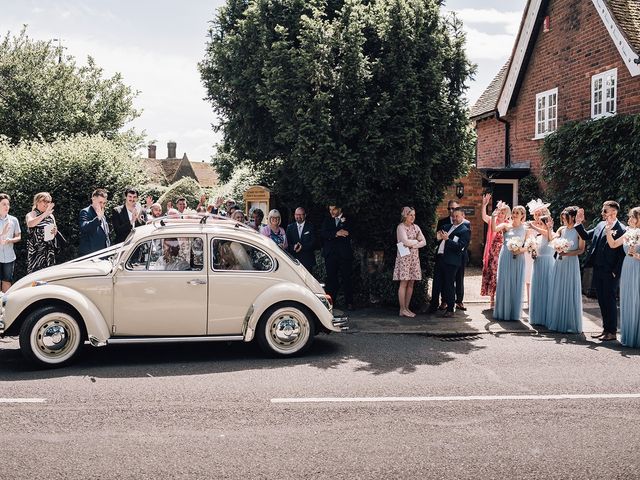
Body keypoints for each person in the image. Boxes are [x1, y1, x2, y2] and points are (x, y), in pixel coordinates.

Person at [575, 201, 626, 341]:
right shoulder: (600, 225)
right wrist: (579, 223)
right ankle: (605, 330)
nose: (602, 213)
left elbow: (623, 254)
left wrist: (616, 271)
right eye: (603, 210)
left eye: (605, 211)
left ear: (614, 212)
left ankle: (612, 331)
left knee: (609, 301)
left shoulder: (621, 229)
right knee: (601, 300)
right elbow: (586, 236)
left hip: (611, 272)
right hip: (597, 269)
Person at [546, 206, 585, 333]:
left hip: (571, 263)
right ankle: (557, 321)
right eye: (562, 217)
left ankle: (569, 322)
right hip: (559, 263)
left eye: (565, 217)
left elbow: (581, 250)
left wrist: (566, 253)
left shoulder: (579, 230)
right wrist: (549, 229)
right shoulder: (561, 229)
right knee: (558, 289)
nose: (563, 219)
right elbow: (552, 240)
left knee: (569, 289)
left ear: (573, 217)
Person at [605, 206, 640, 347]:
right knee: (628, 299)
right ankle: (630, 334)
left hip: (637, 267)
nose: (629, 219)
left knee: (637, 300)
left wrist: (636, 255)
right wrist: (608, 231)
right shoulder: (628, 232)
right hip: (627, 268)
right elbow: (613, 244)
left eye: (632, 217)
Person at [428, 207, 470, 317]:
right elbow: (436, 241)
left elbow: (461, 247)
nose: (454, 218)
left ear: (463, 216)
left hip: (451, 261)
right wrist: (437, 238)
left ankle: (450, 309)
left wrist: (448, 240)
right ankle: (433, 306)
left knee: (449, 285)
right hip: (440, 258)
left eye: (457, 216)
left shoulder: (465, 231)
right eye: (453, 216)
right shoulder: (446, 227)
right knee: (436, 284)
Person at [493, 204, 527, 321]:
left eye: (517, 213)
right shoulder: (506, 226)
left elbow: (529, 245)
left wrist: (519, 250)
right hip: (506, 256)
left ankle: (513, 313)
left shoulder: (525, 228)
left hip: (519, 258)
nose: (514, 215)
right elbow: (494, 229)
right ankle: (503, 311)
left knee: (516, 283)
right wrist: (493, 217)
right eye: (513, 212)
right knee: (505, 281)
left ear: (522, 215)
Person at [526, 200, 555, 327]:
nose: (543, 225)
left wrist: (533, 227)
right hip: (537, 264)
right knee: (537, 289)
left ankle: (547, 315)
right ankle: (538, 315)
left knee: (547, 289)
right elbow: (536, 249)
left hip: (548, 264)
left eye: (545, 223)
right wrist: (533, 252)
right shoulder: (537, 237)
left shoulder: (550, 234)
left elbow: (546, 234)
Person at [393, 207, 426, 317]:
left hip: (414, 258)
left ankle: (407, 308)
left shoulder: (416, 227)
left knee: (411, 283)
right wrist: (416, 241)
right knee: (404, 283)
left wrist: (414, 244)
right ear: (405, 215)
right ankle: (402, 309)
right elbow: (405, 241)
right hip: (404, 258)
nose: (413, 217)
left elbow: (424, 241)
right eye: (410, 215)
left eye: (414, 215)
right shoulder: (400, 227)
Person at [320, 205, 354, 310]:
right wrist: (336, 233)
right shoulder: (327, 220)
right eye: (330, 209)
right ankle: (331, 303)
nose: (331, 212)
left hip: (344, 254)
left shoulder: (349, 219)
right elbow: (323, 233)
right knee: (331, 279)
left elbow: (351, 232)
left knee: (347, 278)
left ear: (340, 208)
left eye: (333, 209)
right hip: (331, 254)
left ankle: (349, 302)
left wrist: (346, 233)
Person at [480, 194, 508, 309]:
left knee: (501, 275)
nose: (501, 214)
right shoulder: (493, 221)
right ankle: (492, 299)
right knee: (492, 273)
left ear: (506, 214)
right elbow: (483, 217)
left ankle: (501, 298)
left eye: (503, 212)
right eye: (500, 212)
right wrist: (484, 205)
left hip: (503, 252)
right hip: (492, 252)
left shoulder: (507, 223)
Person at [25, 192, 58, 274]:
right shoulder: (32, 214)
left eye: (49, 201)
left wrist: (54, 231)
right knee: (35, 276)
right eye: (44, 201)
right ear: (37, 202)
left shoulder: (51, 216)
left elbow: (55, 229)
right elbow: (30, 224)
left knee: (49, 276)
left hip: (49, 250)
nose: (47, 203)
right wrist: (44, 214)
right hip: (36, 251)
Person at [78, 188, 110, 256]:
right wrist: (98, 218)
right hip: (90, 254)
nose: (102, 205)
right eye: (100, 202)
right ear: (93, 199)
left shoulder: (102, 214)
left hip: (103, 253)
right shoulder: (85, 212)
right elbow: (84, 227)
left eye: (104, 203)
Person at [0, 193, 22, 292]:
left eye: (8, 204)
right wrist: (3, 233)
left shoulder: (14, 220)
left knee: (7, 281)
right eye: (4, 204)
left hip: (9, 257)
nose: (7, 206)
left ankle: (5, 305)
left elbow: (18, 236)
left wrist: (10, 240)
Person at [286, 207, 317, 273]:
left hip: (307, 260)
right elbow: (287, 244)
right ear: (294, 215)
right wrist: (293, 247)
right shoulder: (290, 227)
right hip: (294, 260)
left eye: (300, 214)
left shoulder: (311, 226)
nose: (298, 216)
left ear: (305, 215)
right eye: (297, 214)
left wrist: (302, 247)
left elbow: (314, 243)